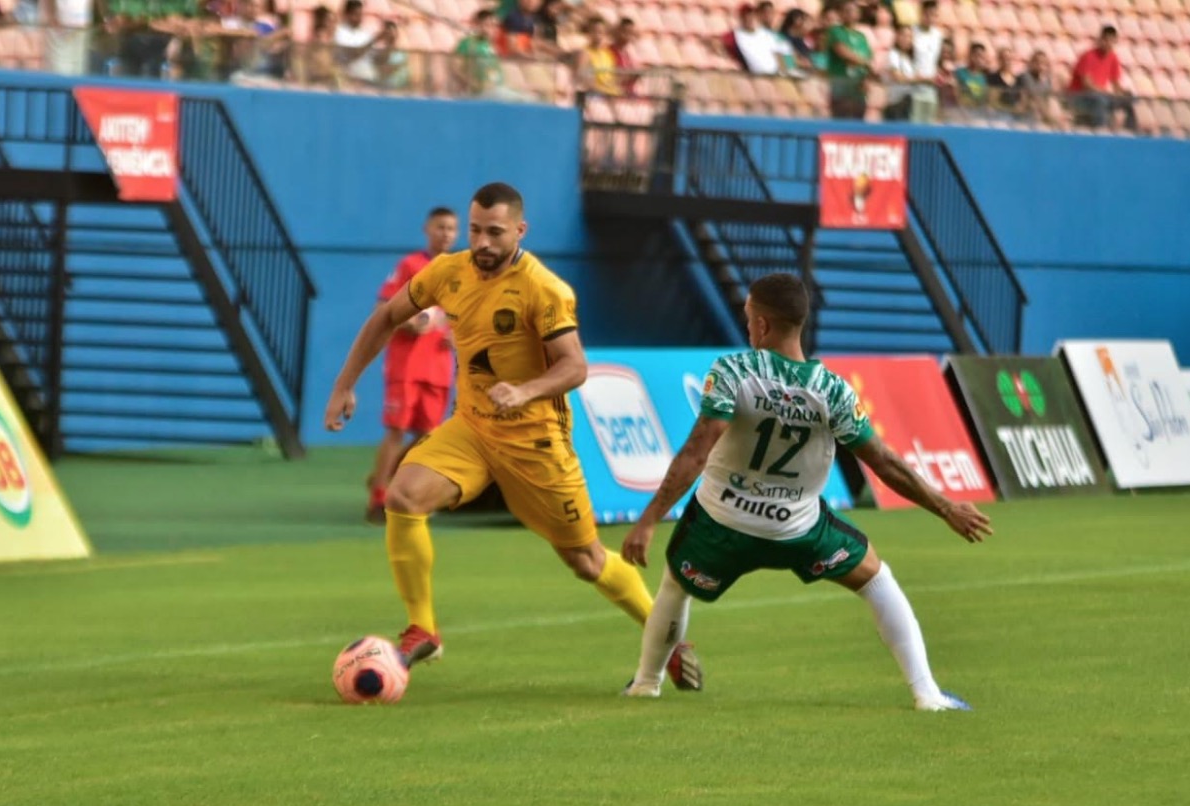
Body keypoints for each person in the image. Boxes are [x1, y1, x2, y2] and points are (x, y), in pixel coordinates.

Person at [324, 182, 703, 689]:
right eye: (476, 229)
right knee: (403, 495)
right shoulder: (447, 271)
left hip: (536, 443)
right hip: (474, 430)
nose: (482, 242)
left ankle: (666, 639)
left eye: (495, 233)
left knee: (586, 560)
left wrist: (525, 392)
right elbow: (387, 317)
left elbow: (575, 367)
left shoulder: (544, 289)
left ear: (520, 231)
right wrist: (344, 385)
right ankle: (424, 627)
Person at [619, 273, 993, 708]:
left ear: (761, 326)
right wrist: (947, 508)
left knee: (675, 586)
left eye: (748, 318)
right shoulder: (831, 390)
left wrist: (647, 521)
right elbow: (885, 464)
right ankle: (926, 693)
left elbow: (695, 453)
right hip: (798, 530)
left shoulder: (733, 371)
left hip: (721, 525)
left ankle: (647, 683)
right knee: (876, 579)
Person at [365, 207, 460, 524]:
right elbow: (384, 307)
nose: (445, 233)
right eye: (440, 227)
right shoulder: (410, 265)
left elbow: (466, 316)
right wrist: (409, 323)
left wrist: (457, 336)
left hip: (438, 367)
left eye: (451, 228)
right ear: (427, 229)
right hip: (406, 365)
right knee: (396, 431)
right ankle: (378, 499)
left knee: (428, 437)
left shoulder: (461, 271)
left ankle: (395, 482)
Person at [1068, 25, 1136, 131]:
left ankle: (1131, 131)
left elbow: (1115, 83)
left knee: (1129, 99)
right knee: (1100, 100)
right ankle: (1101, 131)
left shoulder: (1113, 57)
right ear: (1100, 39)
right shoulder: (1088, 56)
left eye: (1112, 41)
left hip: (1101, 95)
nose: (1108, 44)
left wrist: (1122, 93)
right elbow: (1087, 84)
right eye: (1106, 40)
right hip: (1081, 96)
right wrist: (1105, 92)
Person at [825, 0, 875, 120]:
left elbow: (869, 58)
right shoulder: (835, 31)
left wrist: (867, 79)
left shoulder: (861, 36)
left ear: (859, 14)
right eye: (846, 11)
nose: (850, 14)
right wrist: (865, 63)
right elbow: (843, 52)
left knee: (858, 117)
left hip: (859, 82)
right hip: (841, 79)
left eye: (853, 11)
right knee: (842, 115)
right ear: (841, 14)